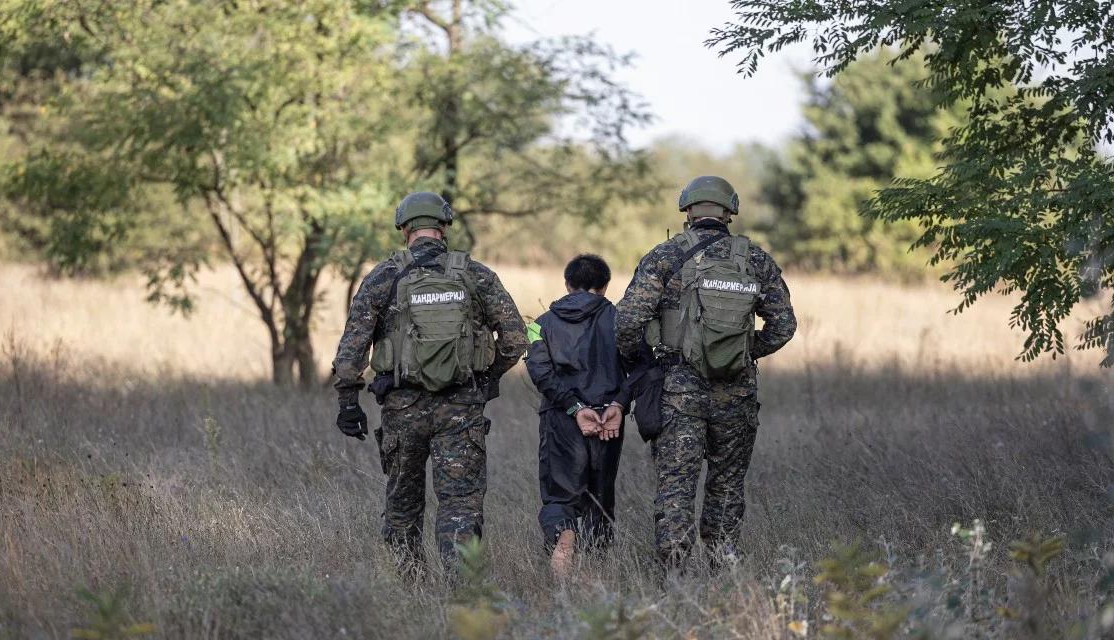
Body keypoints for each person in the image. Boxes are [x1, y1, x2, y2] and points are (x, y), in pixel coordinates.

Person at [331, 191, 527, 579]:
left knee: (403, 504)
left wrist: (348, 401)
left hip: (402, 411)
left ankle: (412, 587)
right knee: (460, 505)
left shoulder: (384, 275)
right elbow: (516, 338)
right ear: (444, 226)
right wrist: (486, 380)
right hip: (461, 410)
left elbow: (353, 345)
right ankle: (461, 590)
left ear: (404, 228)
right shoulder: (475, 274)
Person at [614, 175, 797, 573]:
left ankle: (675, 571)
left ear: (687, 209)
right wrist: (742, 354)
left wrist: (644, 362)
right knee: (728, 481)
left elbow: (627, 322)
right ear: (729, 211)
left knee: (676, 484)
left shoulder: (665, 256)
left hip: (679, 391)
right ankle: (723, 564)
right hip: (737, 393)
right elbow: (783, 326)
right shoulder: (755, 259)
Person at [524, 254, 636, 577]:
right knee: (601, 498)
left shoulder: (539, 324)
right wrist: (618, 404)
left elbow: (540, 373)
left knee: (560, 497)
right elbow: (641, 366)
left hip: (563, 421)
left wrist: (575, 408)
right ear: (604, 288)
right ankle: (597, 579)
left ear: (567, 285)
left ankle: (564, 544)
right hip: (609, 424)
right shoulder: (621, 319)